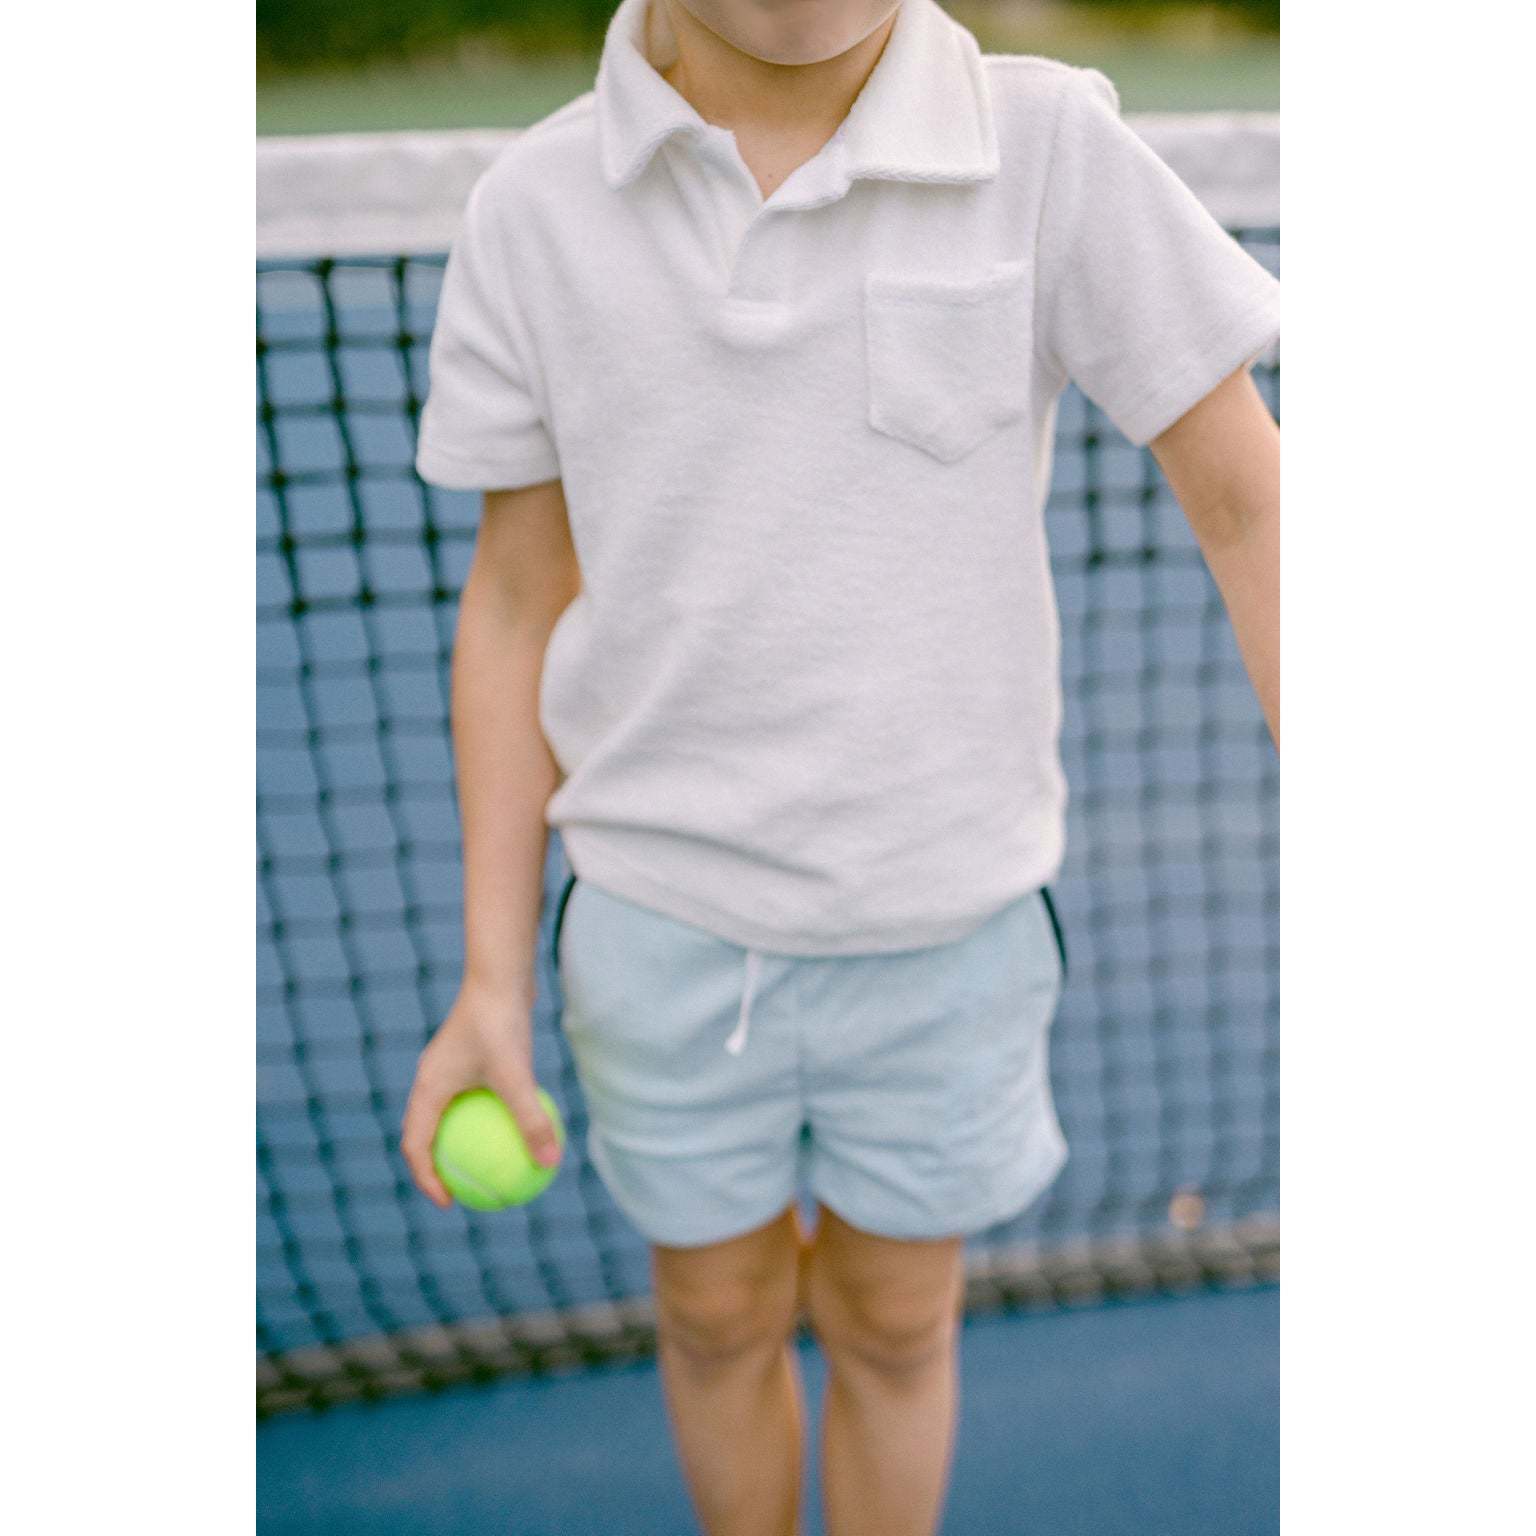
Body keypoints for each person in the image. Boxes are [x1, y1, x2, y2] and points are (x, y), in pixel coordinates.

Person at [399, 0, 1280, 1530]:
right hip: (657, 938)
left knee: (892, 1321)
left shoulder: (1054, 145)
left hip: (948, 941)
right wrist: (490, 983)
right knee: (718, 1316)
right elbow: (516, 602)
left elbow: (1255, 507)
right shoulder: (529, 215)